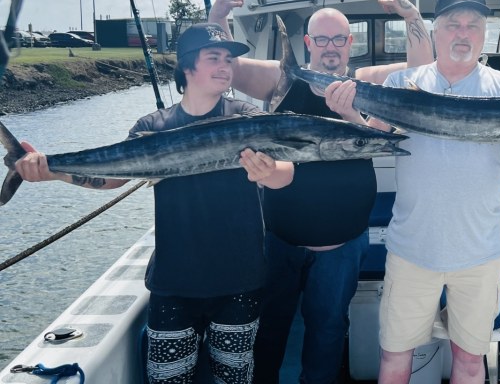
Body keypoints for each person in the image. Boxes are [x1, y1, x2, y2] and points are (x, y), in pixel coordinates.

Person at [325, 0, 500, 383]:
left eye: (474, 25)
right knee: (393, 359)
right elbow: (372, 138)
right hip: (411, 250)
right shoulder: (403, 83)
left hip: (481, 254)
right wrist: (349, 112)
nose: (463, 33)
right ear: (436, 31)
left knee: (471, 363)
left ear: (484, 33)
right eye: (453, 24)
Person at [13, 22, 295, 383]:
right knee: (167, 379)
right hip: (174, 282)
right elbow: (113, 176)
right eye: (214, 58)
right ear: (187, 66)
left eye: (228, 59)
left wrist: (267, 172)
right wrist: (51, 170)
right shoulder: (154, 126)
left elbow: (285, 172)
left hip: (239, 280)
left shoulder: (247, 118)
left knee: (233, 377)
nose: (225, 66)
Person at [208, 0, 433, 384]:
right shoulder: (284, 79)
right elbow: (231, 69)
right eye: (322, 39)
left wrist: (411, 15)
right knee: (270, 332)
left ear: (350, 44)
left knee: (328, 333)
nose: (331, 47)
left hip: (343, 247)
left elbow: (420, 68)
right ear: (309, 43)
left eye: (339, 40)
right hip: (280, 243)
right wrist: (217, 17)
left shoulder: (366, 80)